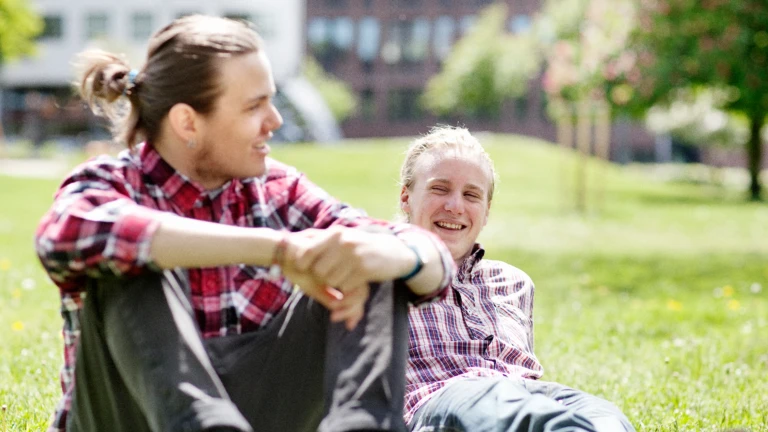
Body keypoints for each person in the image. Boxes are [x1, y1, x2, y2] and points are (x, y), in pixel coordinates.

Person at [34, 15, 455, 432]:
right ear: (188, 122)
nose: (275, 121)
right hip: (125, 419)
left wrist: (400, 256)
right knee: (131, 257)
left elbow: (433, 264)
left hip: (259, 413)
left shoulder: (279, 190)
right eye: (254, 106)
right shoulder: (110, 184)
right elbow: (66, 235)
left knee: (368, 253)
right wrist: (276, 248)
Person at [397, 126, 634, 432]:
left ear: (486, 212)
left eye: (471, 195)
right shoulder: (383, 274)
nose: (455, 206)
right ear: (406, 197)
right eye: (439, 189)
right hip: (442, 400)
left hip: (528, 394)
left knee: (603, 414)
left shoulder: (512, 282)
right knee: (502, 405)